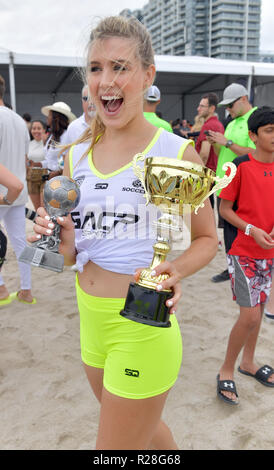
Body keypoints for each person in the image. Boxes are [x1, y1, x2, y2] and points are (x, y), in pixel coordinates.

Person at [30, 16, 217, 450]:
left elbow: (207, 239)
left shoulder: (174, 152)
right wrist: (56, 237)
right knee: (145, 433)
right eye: (96, 68)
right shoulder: (77, 156)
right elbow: (75, 250)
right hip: (89, 323)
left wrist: (176, 269)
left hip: (141, 326)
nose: (106, 81)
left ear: (148, 75)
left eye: (120, 67)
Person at [216, 106, 274, 406]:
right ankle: (227, 367)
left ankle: (248, 363)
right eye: (269, 130)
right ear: (253, 136)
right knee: (248, 315)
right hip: (242, 251)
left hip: (269, 252)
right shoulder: (238, 167)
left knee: (261, 308)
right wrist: (252, 230)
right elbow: (224, 210)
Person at [208, 83, 257, 283]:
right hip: (225, 185)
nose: (227, 109)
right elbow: (224, 154)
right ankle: (231, 268)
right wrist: (218, 144)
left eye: (230, 105)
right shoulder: (231, 122)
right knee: (228, 230)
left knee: (241, 229)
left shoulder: (255, 120)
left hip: (243, 186)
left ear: (243, 99)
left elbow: (255, 154)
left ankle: (242, 268)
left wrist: (227, 142)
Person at [0, 75, 36, 305]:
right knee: (20, 242)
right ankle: (26, 290)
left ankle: (2, 289)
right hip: (18, 189)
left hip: (3, 190)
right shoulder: (19, 122)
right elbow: (25, 159)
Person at [195, 93, 224, 207]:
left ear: (212, 108)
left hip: (207, 174)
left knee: (204, 208)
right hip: (214, 172)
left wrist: (197, 175)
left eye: (202, 106)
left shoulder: (209, 125)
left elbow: (204, 154)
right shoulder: (218, 124)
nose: (198, 109)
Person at [35, 101, 76, 178]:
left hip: (61, 179)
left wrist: (56, 173)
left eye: (49, 115)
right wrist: (37, 164)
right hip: (50, 177)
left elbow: (67, 162)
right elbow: (50, 161)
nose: (47, 117)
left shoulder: (67, 135)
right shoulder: (52, 136)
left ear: (56, 118)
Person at [26, 120, 48, 210]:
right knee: (38, 209)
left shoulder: (48, 143)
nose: (36, 131)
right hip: (31, 178)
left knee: (45, 208)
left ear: (44, 130)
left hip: (46, 177)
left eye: (39, 128)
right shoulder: (29, 144)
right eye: (34, 128)